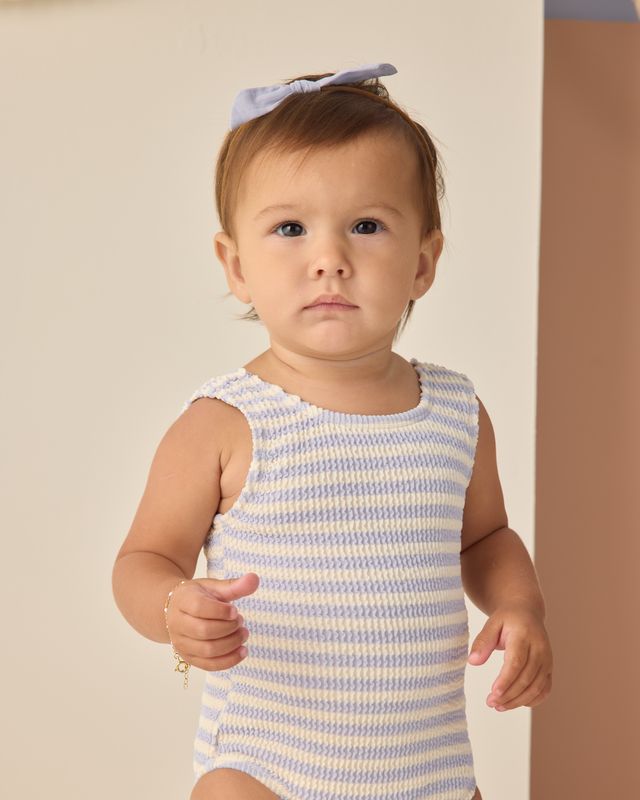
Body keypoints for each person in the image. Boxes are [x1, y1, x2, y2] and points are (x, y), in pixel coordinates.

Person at [112, 62, 553, 800]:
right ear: (236, 265)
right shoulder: (224, 422)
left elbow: (485, 539)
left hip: (429, 771)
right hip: (265, 766)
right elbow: (143, 558)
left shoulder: (455, 413)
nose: (329, 261)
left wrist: (519, 606)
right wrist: (171, 607)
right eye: (290, 228)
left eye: (366, 226)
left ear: (423, 262)